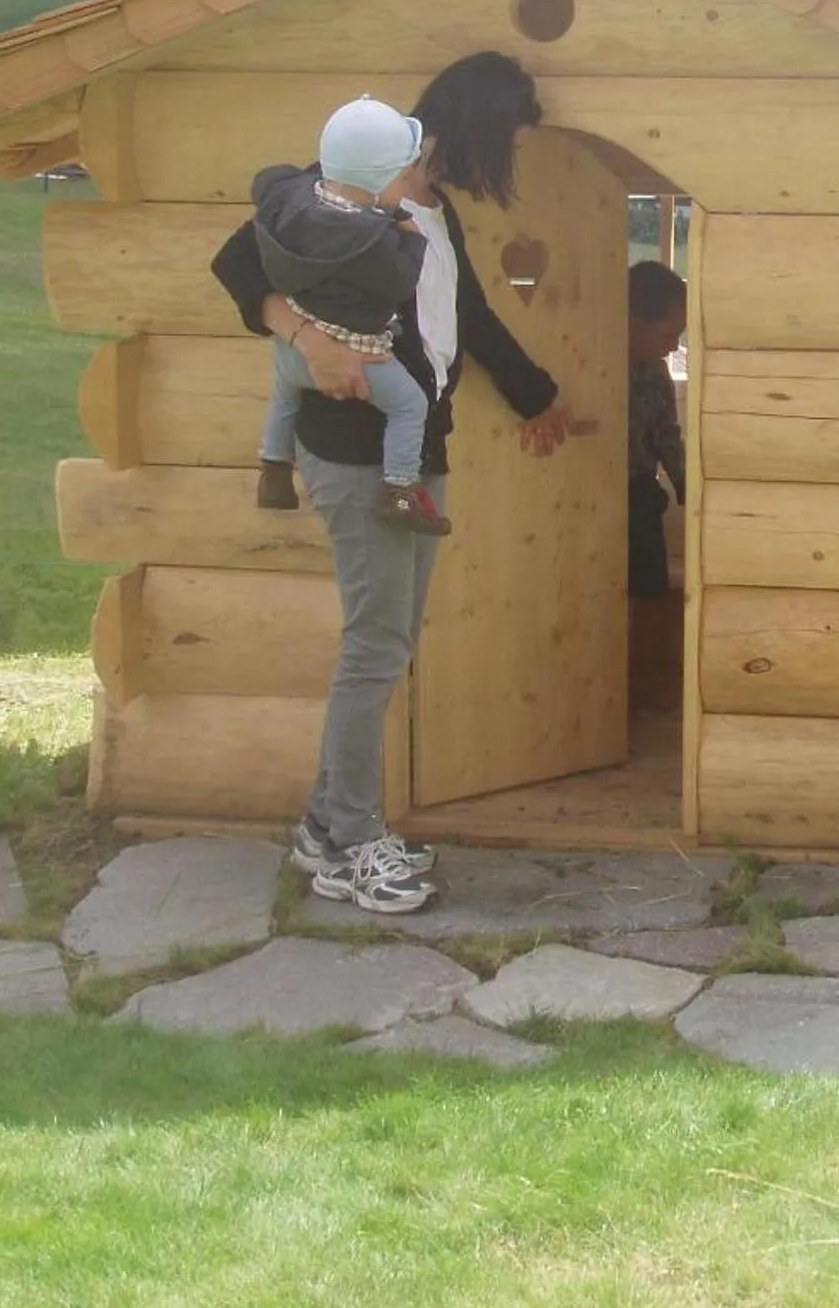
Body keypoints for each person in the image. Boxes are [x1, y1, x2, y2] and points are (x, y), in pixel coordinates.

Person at [209, 52, 580, 914]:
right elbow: (237, 269)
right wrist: (308, 337)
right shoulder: (331, 194)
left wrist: (539, 398)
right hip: (353, 450)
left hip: (419, 451)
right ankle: (350, 841)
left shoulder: (433, 210)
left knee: (391, 640)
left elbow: (469, 319)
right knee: (376, 646)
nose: (510, 163)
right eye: (512, 142)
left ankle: (323, 827)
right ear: (481, 129)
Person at [250, 96, 449, 535]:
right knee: (408, 405)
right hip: (357, 357)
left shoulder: (295, 205)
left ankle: (275, 470)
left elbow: (267, 183)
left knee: (285, 394)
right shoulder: (370, 240)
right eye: (402, 175)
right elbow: (400, 281)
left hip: (294, 347)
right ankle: (399, 490)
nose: (407, 183)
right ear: (379, 183)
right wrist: (411, 236)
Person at [626, 261, 687, 600]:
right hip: (593, 500)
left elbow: (667, 436)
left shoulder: (656, 374)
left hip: (641, 499)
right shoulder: (588, 367)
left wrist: (684, 483)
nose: (675, 347)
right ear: (634, 323)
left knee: (650, 594)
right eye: (668, 335)